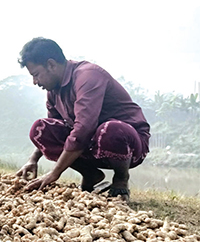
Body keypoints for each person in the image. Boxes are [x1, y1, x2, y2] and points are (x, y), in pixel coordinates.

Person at [16, 37, 150, 202]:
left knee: (110, 130)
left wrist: (54, 173)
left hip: (127, 144)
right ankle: (91, 174)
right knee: (40, 129)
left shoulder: (88, 76)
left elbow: (84, 128)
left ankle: (121, 179)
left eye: (36, 75)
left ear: (51, 64)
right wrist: (33, 159)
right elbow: (55, 128)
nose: (35, 82)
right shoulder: (53, 91)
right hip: (91, 143)